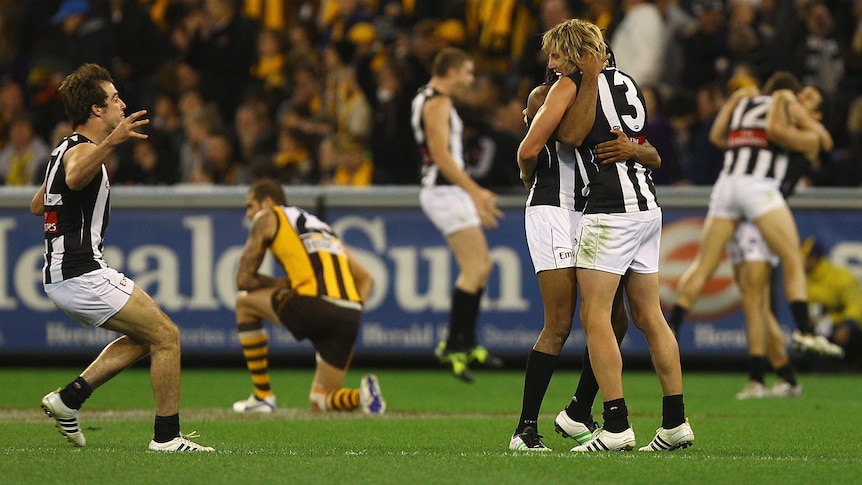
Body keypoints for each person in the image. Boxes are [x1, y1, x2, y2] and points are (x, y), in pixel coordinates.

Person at [527, 18, 694, 453]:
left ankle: (616, 425)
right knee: (649, 316)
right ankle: (674, 421)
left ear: (579, 54)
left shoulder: (583, 83)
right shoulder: (631, 83)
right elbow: (641, 144)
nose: (553, 65)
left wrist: (585, 78)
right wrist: (636, 148)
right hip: (646, 208)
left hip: (608, 209)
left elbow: (572, 135)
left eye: (560, 55)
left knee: (595, 317)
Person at [31, 63, 212, 452]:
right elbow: (76, 177)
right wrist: (112, 142)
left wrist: (62, 195)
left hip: (64, 275)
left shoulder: (62, 149)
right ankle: (166, 437)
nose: (122, 103)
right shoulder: (83, 150)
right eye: (114, 98)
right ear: (97, 110)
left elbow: (38, 203)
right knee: (168, 336)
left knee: (146, 337)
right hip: (81, 273)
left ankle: (70, 398)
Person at [509, 51, 661, 450]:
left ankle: (578, 410)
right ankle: (525, 429)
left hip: (592, 210)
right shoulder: (548, 94)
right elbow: (531, 151)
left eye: (563, 53)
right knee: (559, 323)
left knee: (616, 320)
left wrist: (635, 149)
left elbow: (650, 152)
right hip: (554, 208)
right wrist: (528, 177)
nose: (556, 61)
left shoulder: (602, 94)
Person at [668, 73, 844, 359]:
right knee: (774, 279)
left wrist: (737, 100)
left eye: (809, 99)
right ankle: (802, 333)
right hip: (759, 199)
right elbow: (814, 139)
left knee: (713, 271)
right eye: (801, 94)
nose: (800, 100)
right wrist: (785, 102)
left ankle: (670, 326)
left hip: (728, 188)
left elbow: (719, 137)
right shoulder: (787, 110)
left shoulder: (752, 106)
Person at [231, 180, 385, 415]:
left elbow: (243, 280)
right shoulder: (322, 228)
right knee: (319, 400)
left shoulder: (269, 216)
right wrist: (347, 317)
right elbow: (367, 279)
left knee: (243, 302)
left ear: (268, 202)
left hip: (312, 303)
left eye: (250, 206)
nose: (249, 214)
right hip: (349, 313)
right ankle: (363, 396)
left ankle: (262, 396)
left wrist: (281, 284)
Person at [410, 47, 505, 383]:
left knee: (482, 268)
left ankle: (464, 343)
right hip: (445, 191)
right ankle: (454, 344)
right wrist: (475, 191)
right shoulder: (438, 102)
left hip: (449, 191)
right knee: (476, 267)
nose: (471, 79)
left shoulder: (428, 98)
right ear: (450, 71)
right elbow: (440, 156)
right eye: (467, 72)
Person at [729, 221, 803, 399]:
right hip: (737, 224)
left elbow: (784, 192)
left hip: (755, 225)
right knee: (758, 305)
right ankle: (786, 376)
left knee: (754, 303)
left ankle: (757, 380)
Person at [803, 237, 862, 367]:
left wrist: (846, 324)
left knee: (847, 336)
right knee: (808, 342)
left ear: (814, 259)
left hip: (846, 327)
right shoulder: (803, 280)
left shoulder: (840, 277)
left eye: (805, 258)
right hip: (821, 328)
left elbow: (856, 305)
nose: (801, 261)